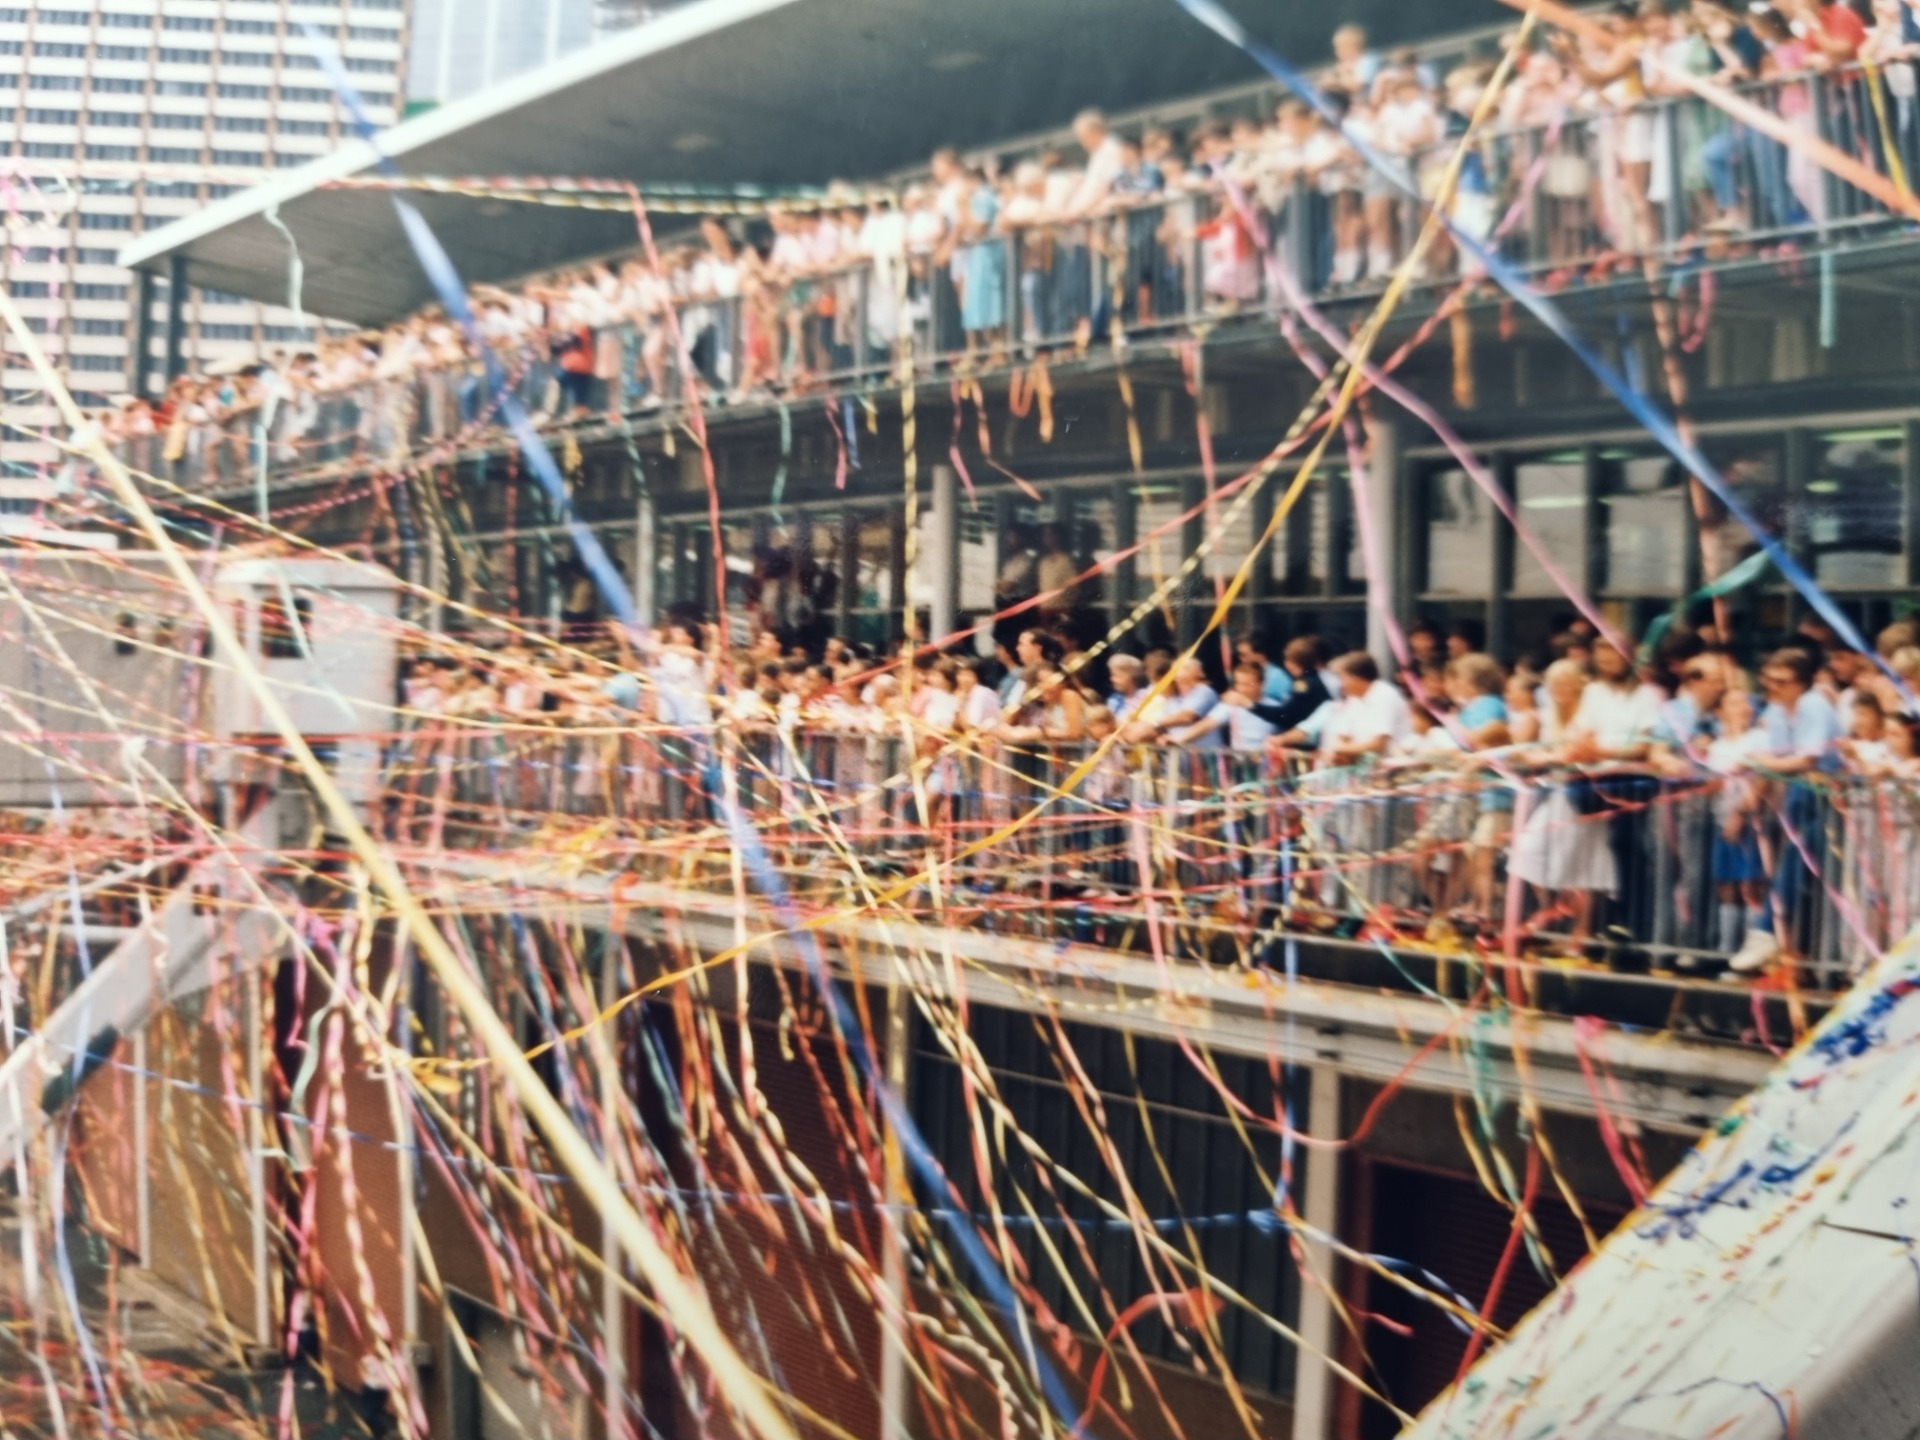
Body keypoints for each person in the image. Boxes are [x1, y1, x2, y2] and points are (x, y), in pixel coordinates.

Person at [1730, 646, 1845, 973]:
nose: (1772, 687)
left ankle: (1767, 929)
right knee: (1788, 860)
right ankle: (1774, 936)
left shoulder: (1814, 706)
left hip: (1827, 797)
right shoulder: (1778, 711)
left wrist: (1761, 761)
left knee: (1799, 859)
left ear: (1800, 683)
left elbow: (1804, 759)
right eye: (1768, 680)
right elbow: (1781, 760)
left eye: (1781, 681)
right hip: (1798, 793)